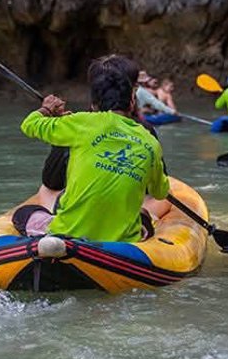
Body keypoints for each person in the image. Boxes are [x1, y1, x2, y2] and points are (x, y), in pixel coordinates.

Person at [15, 56, 171, 243]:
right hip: (122, 240)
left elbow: (30, 124)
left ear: (94, 104)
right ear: (131, 101)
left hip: (68, 232)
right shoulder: (149, 139)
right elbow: (161, 193)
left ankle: (54, 242)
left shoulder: (81, 122)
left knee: (24, 213)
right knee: (143, 214)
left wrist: (48, 110)